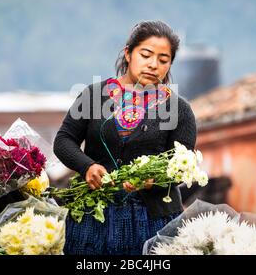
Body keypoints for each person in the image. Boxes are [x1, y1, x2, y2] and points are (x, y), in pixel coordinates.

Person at [53, 20, 197, 255]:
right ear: (128, 54)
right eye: (146, 55)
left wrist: (152, 180)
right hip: (93, 216)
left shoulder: (179, 109)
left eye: (163, 60)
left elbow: (183, 166)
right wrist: (87, 166)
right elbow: (64, 140)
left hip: (153, 222)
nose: (153, 65)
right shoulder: (93, 96)